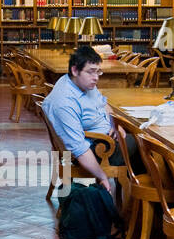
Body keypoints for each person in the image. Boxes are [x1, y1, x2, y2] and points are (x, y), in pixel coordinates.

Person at [42, 44, 134, 194]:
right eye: (91, 72)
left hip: (106, 138)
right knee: (148, 147)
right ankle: (151, 202)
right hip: (99, 150)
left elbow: (104, 104)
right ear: (75, 70)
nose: (96, 77)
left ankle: (141, 197)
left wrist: (115, 125)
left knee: (140, 139)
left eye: (98, 72)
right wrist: (102, 176)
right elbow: (80, 150)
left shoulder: (82, 83)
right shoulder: (65, 102)